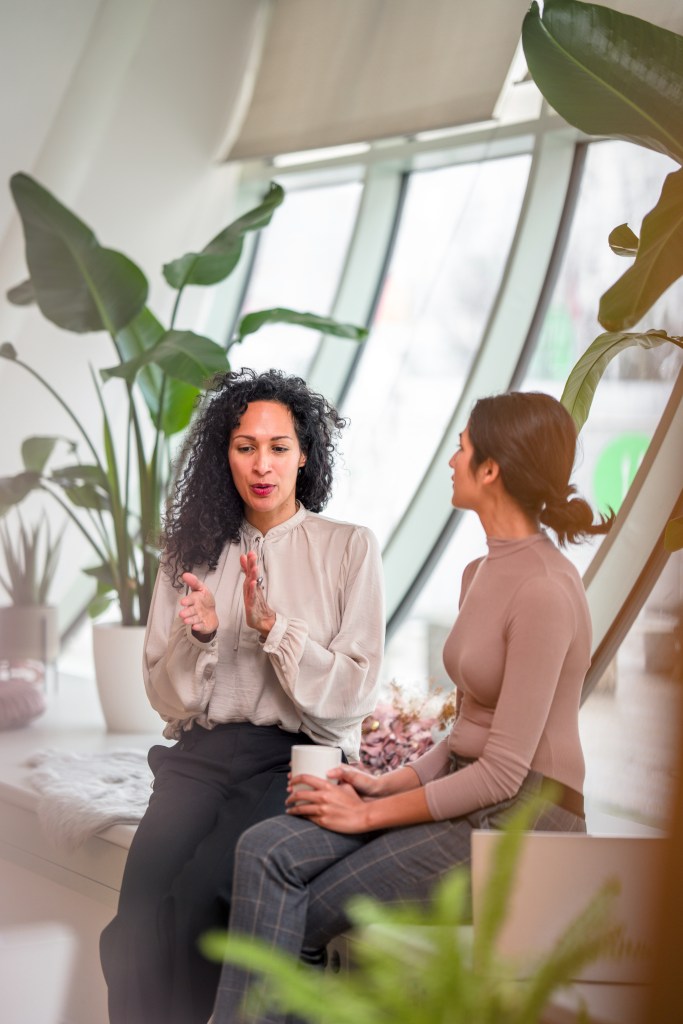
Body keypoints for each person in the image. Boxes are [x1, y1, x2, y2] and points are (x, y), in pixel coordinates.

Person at [212, 390, 614, 1024]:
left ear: (491, 470)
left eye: (462, 448)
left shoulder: (544, 589)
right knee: (265, 849)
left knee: (302, 907)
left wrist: (365, 817)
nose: (451, 461)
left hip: (524, 828)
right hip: (470, 798)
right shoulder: (480, 573)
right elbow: (465, 736)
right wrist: (379, 784)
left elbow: (506, 772)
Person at [99, 368, 385, 1024]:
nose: (261, 464)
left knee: (201, 897)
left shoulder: (347, 548)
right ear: (221, 455)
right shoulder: (192, 552)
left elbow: (350, 696)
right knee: (134, 922)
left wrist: (272, 629)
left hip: (291, 757)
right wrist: (197, 637)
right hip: (199, 754)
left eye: (278, 447)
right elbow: (166, 700)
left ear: (306, 454)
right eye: (244, 446)